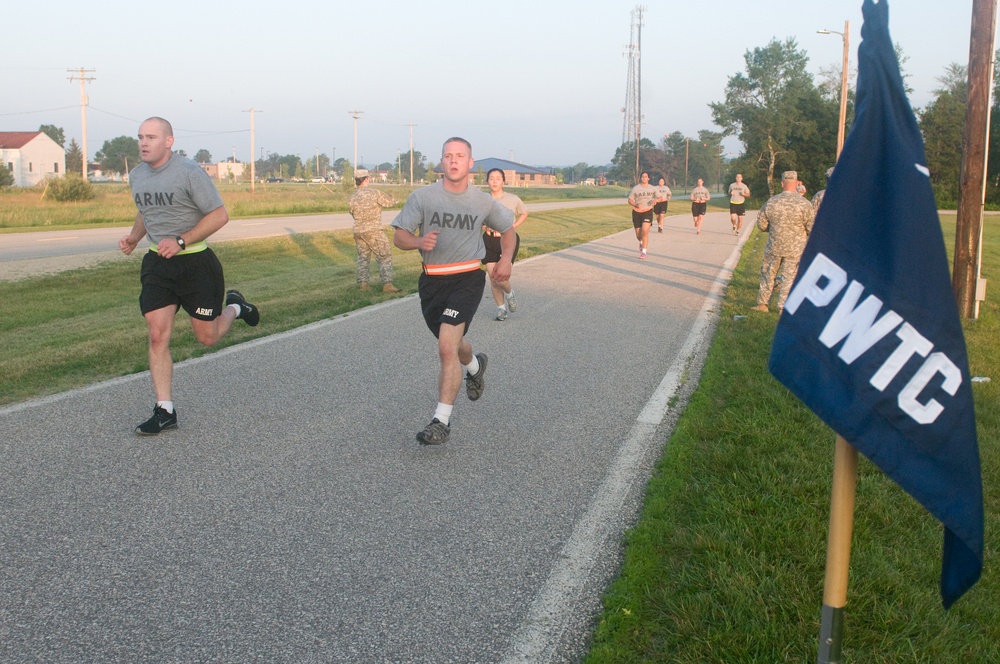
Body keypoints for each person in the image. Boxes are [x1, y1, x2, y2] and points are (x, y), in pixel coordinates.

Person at [118, 117, 260, 435]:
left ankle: (236, 307)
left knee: (207, 337)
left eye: (151, 137)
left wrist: (181, 241)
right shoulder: (137, 175)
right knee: (157, 334)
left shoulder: (189, 172)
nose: (143, 143)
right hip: (158, 264)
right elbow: (146, 210)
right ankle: (165, 409)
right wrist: (134, 237)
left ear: (168, 141)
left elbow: (220, 215)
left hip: (196, 264)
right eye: (140, 137)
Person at [391, 137, 515, 445]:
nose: (454, 160)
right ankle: (475, 366)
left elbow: (508, 230)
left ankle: (441, 422)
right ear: (442, 162)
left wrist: (506, 259)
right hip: (432, 282)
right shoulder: (423, 197)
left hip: (467, 279)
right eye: (448, 156)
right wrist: (419, 242)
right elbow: (399, 236)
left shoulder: (482, 202)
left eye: (460, 156)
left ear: (470, 163)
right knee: (454, 343)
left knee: (447, 346)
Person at [751, 170, 816, 313]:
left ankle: (763, 304)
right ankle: (783, 307)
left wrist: (773, 229)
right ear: (797, 184)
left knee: (768, 273)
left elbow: (761, 224)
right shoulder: (804, 204)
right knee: (790, 276)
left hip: (774, 245)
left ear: (782, 184)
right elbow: (811, 227)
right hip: (795, 247)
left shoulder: (772, 202)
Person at [348, 168, 401, 293]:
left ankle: (363, 285)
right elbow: (390, 202)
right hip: (373, 230)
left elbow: (352, 212)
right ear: (366, 179)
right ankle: (387, 285)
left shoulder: (353, 196)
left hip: (358, 230)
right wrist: (393, 197)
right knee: (384, 255)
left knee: (363, 257)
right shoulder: (374, 193)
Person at [484, 168, 528, 321]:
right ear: (487, 181)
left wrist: (513, 227)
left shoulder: (513, 199)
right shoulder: (484, 200)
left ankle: (510, 294)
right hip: (489, 239)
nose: (494, 181)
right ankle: (501, 309)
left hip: (507, 240)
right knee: (492, 277)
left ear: (503, 181)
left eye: (498, 178)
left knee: (500, 277)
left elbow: (524, 213)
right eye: (491, 178)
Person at [627, 171, 657, 258]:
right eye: (642, 177)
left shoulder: (652, 188)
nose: (644, 178)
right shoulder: (636, 188)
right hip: (637, 212)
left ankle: (644, 251)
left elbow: (660, 198)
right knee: (638, 235)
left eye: (646, 177)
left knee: (645, 231)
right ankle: (640, 242)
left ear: (648, 178)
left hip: (647, 211)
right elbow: (630, 200)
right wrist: (635, 204)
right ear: (641, 178)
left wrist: (655, 201)